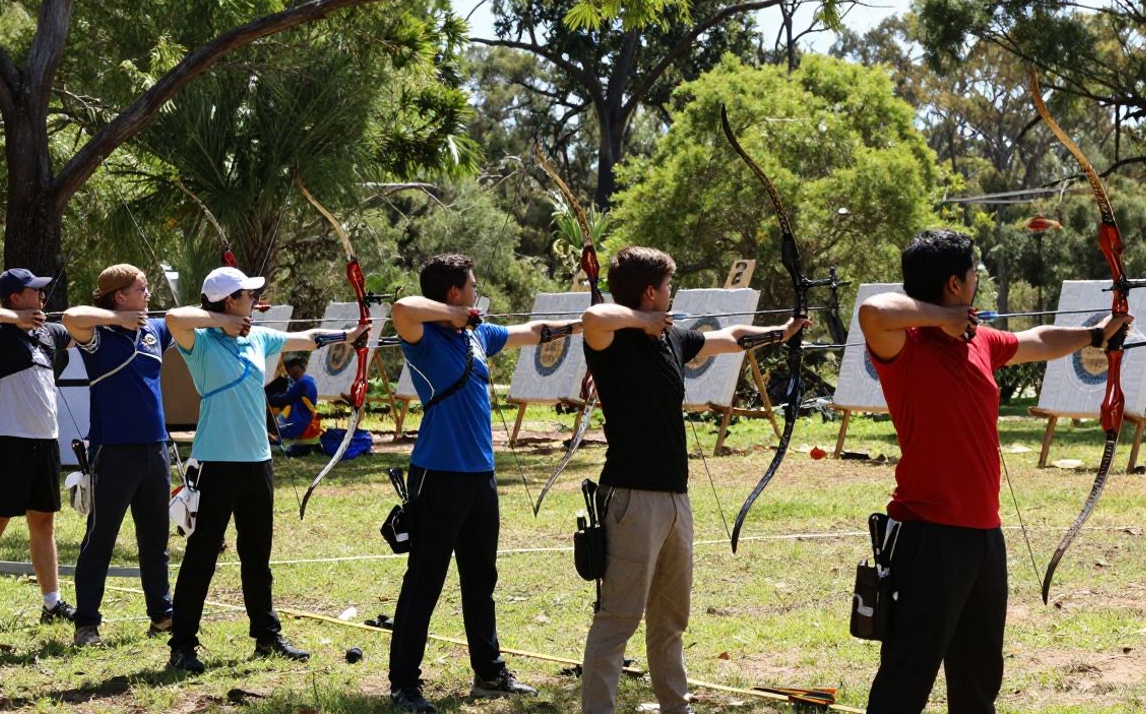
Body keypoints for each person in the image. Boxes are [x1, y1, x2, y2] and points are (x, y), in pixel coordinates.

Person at [857, 229, 1133, 714]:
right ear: (954, 284)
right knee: (906, 678)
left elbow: (1035, 340)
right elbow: (872, 311)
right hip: (926, 536)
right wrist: (942, 318)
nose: (976, 281)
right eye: (973, 274)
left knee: (979, 679)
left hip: (984, 536)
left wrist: (1096, 335)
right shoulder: (905, 345)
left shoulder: (979, 340)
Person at [579, 246, 805, 714]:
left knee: (670, 618)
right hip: (631, 498)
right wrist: (643, 322)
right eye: (667, 286)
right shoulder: (611, 342)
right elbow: (594, 316)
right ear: (649, 292)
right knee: (619, 617)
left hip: (675, 499)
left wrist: (780, 333)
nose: (671, 293)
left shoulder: (672, 339)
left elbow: (730, 337)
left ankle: (675, 707)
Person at [385, 253, 576, 713]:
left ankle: (489, 673)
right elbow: (402, 308)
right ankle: (404, 684)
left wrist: (579, 324)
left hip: (480, 477)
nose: (476, 293)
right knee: (425, 579)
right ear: (455, 293)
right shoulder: (424, 339)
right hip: (438, 475)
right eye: (471, 286)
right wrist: (452, 315)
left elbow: (530, 332)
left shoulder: (477, 335)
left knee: (480, 577)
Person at [163, 266, 367, 674]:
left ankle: (266, 635)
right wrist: (222, 322)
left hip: (257, 461)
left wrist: (349, 335)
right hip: (216, 462)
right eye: (247, 295)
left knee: (257, 554)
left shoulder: (257, 337)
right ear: (228, 301)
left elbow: (306, 338)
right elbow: (174, 317)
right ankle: (182, 645)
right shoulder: (199, 342)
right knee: (202, 554)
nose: (254, 301)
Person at [61, 265, 174, 646]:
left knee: (155, 538)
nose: (148, 293)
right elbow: (70, 316)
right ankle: (87, 623)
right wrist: (117, 319)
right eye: (141, 288)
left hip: (155, 448)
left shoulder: (154, 330)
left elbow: (186, 318)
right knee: (101, 538)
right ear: (120, 296)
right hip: (114, 451)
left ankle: (162, 615)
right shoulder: (99, 336)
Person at [0, 268, 79, 635]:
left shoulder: (48, 332)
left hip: (46, 441)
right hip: (8, 441)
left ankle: (52, 602)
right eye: (33, 291)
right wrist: (13, 318)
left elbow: (80, 327)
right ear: (15, 298)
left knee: (43, 521)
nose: (42, 297)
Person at [266, 356, 321, 455]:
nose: (288, 372)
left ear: (296, 368)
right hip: (305, 420)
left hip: (300, 422)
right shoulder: (309, 380)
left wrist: (266, 398)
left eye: (289, 368)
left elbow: (286, 400)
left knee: (275, 436)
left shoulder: (303, 382)